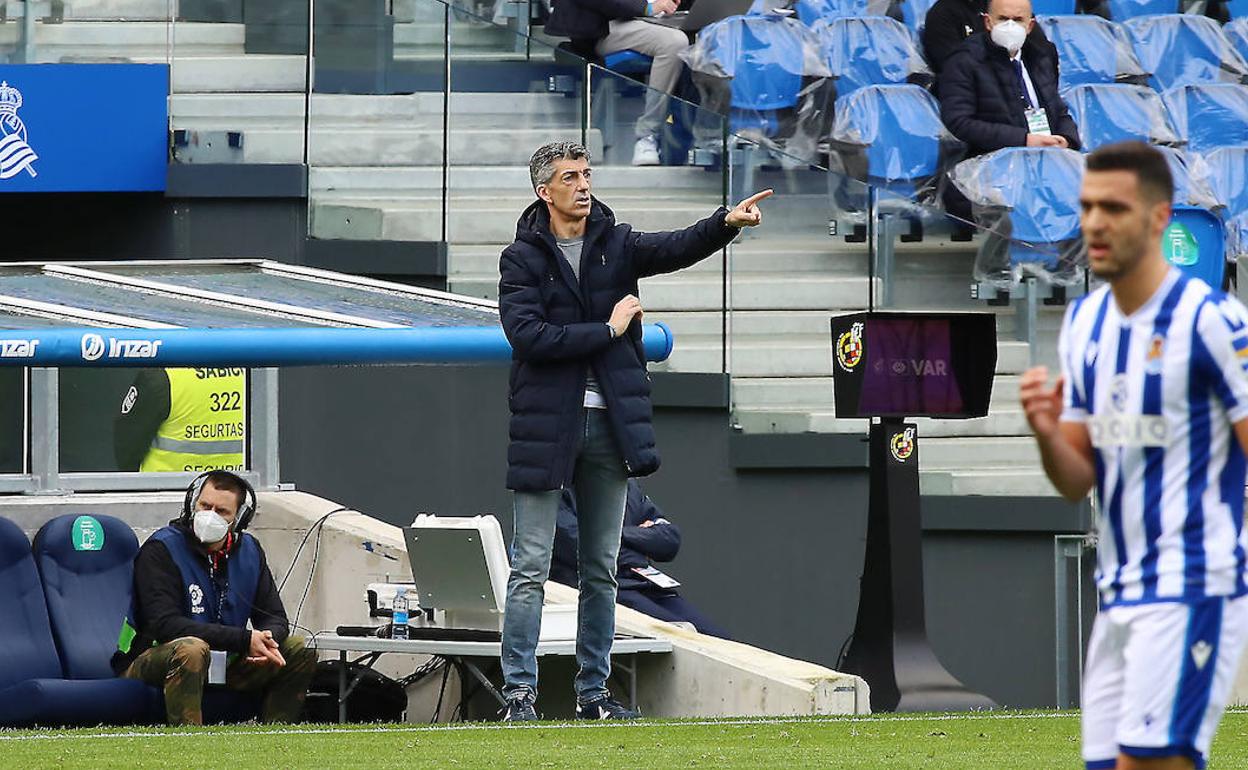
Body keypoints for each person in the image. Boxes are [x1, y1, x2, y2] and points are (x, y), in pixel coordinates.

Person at [497, 140, 768, 721]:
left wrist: (725, 223)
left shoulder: (615, 243)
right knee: (531, 566)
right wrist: (609, 327)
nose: (584, 184)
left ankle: (593, 696)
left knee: (601, 568)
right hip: (548, 430)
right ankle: (518, 695)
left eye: (587, 173)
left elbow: (674, 247)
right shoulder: (520, 260)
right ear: (545, 191)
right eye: (571, 177)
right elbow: (530, 339)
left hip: (610, 430)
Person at [1019, 141, 1248, 770]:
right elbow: (1076, 480)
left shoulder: (1214, 323)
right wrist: (1045, 430)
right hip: (1117, 592)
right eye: (1088, 207)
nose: (1094, 223)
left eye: (1113, 208)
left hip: (1194, 582)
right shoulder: (1086, 323)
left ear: (1157, 218)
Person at [111, 470, 317, 725]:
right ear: (192, 504)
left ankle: (274, 740)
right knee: (191, 649)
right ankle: (191, 745)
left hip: (224, 663)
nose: (210, 516)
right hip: (151, 661)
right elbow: (165, 625)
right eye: (205, 505)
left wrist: (265, 642)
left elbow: (274, 617)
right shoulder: (161, 549)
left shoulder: (250, 551)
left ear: (239, 519)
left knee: (298, 648)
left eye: (222, 511)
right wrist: (244, 640)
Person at [551, 479, 731, 639]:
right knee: (685, 636)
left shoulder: (627, 484)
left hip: (645, 583)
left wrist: (617, 536)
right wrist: (641, 541)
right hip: (598, 588)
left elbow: (669, 540)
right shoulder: (556, 487)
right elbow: (590, 549)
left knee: (722, 641)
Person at [544, 0, 690, 165]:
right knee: (674, 42)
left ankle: (705, 138)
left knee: (708, 36)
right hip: (602, 26)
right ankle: (647, 136)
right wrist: (647, 8)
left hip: (656, 19)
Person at [938, 0, 1079, 159]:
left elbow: (1059, 111)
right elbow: (959, 122)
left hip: (1047, 158)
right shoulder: (964, 61)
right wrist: (1023, 140)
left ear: (1030, 26)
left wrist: (1067, 139)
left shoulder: (1040, 58)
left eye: (1018, 20)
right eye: (1003, 19)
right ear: (988, 22)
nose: (1010, 26)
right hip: (992, 164)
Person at [115, 367, 246, 472]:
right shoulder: (256, 366)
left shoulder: (164, 376)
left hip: (167, 491)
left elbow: (127, 447)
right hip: (237, 489)